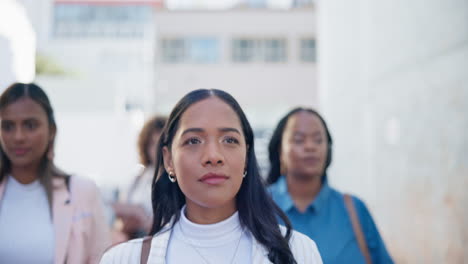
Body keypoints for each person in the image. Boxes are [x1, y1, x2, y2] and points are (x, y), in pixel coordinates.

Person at [100, 89, 323, 264]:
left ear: (246, 156)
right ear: (169, 160)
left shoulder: (299, 253)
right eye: (193, 141)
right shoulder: (123, 259)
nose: (213, 156)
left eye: (229, 140)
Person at [0, 83, 111, 264]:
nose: (18, 136)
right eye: (8, 126)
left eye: (30, 125)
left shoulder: (81, 192)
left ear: (51, 130)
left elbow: (102, 259)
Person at [267, 107, 394, 264]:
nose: (310, 147)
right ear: (280, 151)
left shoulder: (354, 209)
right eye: (299, 140)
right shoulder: (256, 207)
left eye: (318, 140)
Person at [112, 115, 167, 240]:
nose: (157, 150)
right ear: (145, 146)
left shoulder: (177, 179)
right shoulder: (137, 179)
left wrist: (143, 218)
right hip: (135, 242)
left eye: (161, 143)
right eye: (152, 144)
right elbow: (119, 226)